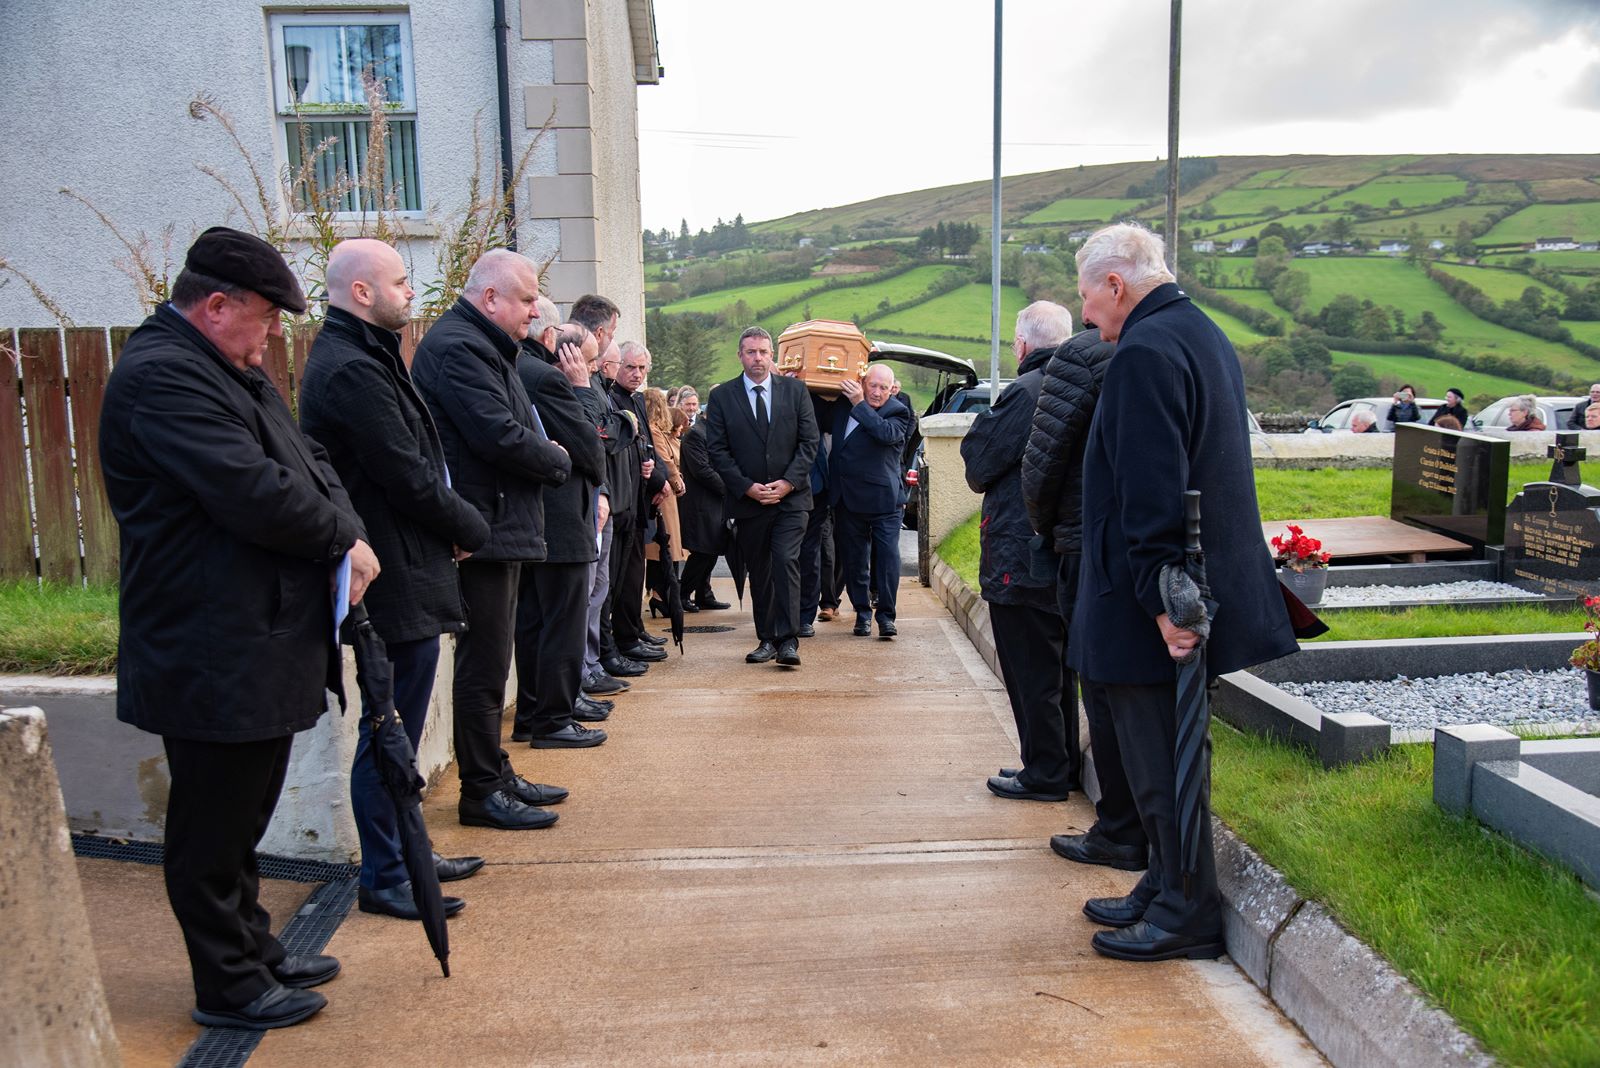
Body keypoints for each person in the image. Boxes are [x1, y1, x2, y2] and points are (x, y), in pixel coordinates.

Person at [100, 226, 377, 1029]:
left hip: (255, 633)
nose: (271, 336)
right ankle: (228, 983)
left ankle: (253, 946)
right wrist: (339, 537)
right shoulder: (162, 377)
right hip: (207, 640)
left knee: (246, 808)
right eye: (262, 317)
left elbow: (310, 463)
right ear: (216, 306)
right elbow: (249, 489)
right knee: (212, 825)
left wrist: (348, 530)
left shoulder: (229, 367)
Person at [1068, 223, 1296, 962]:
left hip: (1151, 604)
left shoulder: (1145, 349)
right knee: (1161, 755)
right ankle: (1164, 881)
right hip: (1167, 590)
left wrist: (1165, 602)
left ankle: (1184, 909)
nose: (1086, 316)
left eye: (1088, 298)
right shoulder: (1197, 331)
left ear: (1115, 284)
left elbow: (1153, 485)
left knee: (1161, 763)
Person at [297, 239, 493, 923]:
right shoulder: (351, 368)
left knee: (399, 726)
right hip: (392, 573)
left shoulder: (367, 354)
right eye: (402, 282)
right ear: (360, 292)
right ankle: (386, 875)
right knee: (389, 729)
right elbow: (405, 473)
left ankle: (407, 855)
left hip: (408, 563)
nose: (411, 292)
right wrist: (471, 527)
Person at [411, 250, 573, 831]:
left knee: (492, 661)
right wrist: (558, 458)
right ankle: (480, 789)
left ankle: (494, 771)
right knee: (482, 667)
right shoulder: (461, 347)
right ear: (490, 299)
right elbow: (497, 434)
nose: (535, 310)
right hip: (483, 528)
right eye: (528, 298)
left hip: (497, 523)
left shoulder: (483, 343)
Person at [1020, 320, 1132, 871]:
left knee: (1101, 687)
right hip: (1141, 538)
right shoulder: (1174, 340)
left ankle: (1117, 830)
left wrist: (1046, 527)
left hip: (1082, 540)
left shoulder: (1079, 355)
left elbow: (1041, 465)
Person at [965, 302, 1083, 804]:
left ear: (1022, 345)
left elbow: (979, 463)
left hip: (1022, 552)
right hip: (1063, 552)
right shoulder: (1081, 384)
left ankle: (1046, 771)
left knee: (1031, 671)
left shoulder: (1027, 392)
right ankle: (1061, 762)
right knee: (1060, 670)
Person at [511, 305, 611, 749]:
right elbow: (592, 448)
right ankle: (554, 718)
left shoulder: (512, 365)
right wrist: (583, 389)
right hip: (562, 517)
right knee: (562, 623)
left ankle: (533, 714)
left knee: (533, 622)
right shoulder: (548, 378)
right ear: (550, 334)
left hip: (533, 519)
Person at [703, 326, 819, 666]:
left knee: (785, 560)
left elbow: (809, 443)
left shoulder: (796, 391)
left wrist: (787, 483)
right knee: (761, 570)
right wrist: (746, 487)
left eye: (764, 352)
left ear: (773, 356)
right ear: (740, 355)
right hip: (749, 501)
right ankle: (766, 638)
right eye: (751, 352)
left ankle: (788, 640)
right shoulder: (723, 397)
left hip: (791, 500)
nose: (758, 358)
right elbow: (717, 450)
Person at [830, 364, 913, 638]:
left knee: (887, 560)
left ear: (892, 390)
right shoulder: (842, 405)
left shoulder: (898, 412)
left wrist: (859, 403)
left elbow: (885, 433)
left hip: (884, 501)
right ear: (862, 381)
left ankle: (886, 616)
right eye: (873, 386)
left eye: (884, 388)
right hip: (847, 499)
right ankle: (862, 614)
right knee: (855, 561)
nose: (877, 393)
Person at [604, 341, 670, 671]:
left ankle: (634, 631)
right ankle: (625, 637)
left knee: (634, 573)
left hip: (639, 499)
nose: (637, 373)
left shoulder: (638, 399)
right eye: (631, 367)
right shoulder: (611, 397)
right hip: (622, 500)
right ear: (615, 366)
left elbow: (648, 448)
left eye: (643, 368)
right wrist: (653, 475)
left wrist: (658, 478)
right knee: (621, 577)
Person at [678, 384, 732, 612]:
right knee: (703, 552)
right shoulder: (696, 434)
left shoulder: (716, 432)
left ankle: (703, 593)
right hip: (701, 503)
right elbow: (702, 471)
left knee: (711, 550)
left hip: (714, 502)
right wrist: (731, 488)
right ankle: (681, 594)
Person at [643, 387, 688, 611]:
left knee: (662, 549)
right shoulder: (655, 429)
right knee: (663, 548)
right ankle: (662, 596)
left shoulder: (653, 428)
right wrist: (678, 482)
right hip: (665, 493)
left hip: (663, 491)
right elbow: (666, 459)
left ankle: (661, 595)